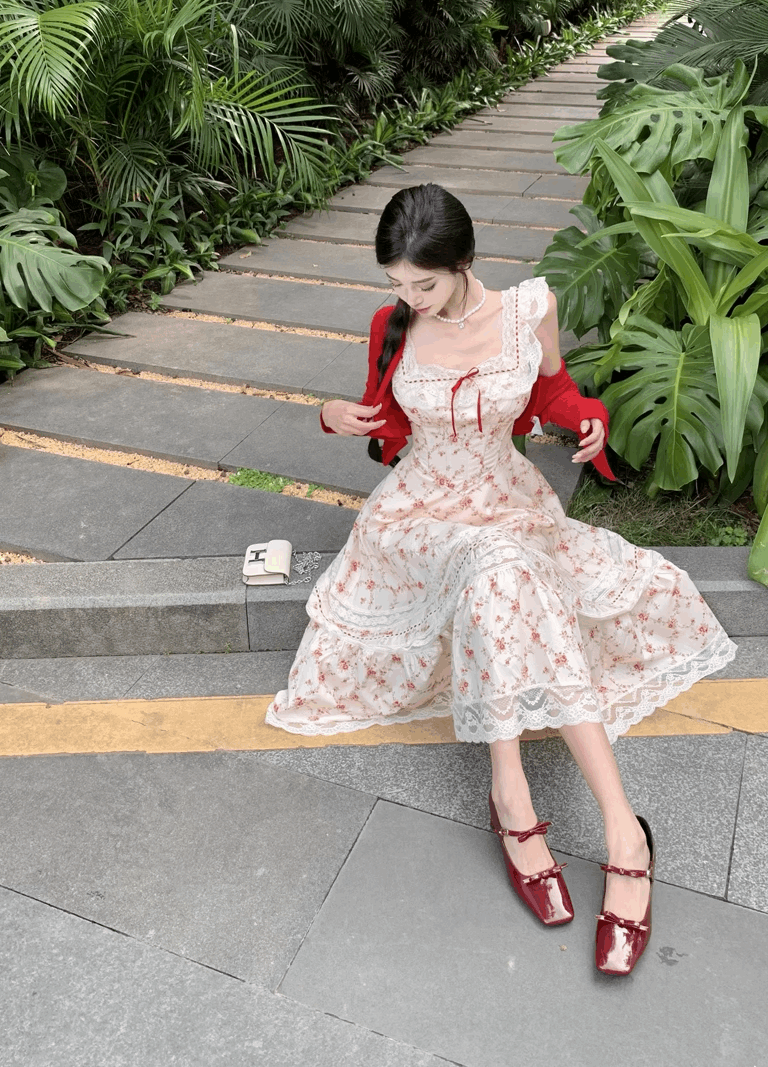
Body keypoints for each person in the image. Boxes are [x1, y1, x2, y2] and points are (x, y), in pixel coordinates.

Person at [266, 183, 737, 975]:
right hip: (419, 515)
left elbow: (552, 391)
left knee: (507, 570)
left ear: (464, 263)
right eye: (398, 286)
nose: (409, 298)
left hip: (504, 493)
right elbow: (381, 419)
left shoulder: (529, 310)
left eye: (426, 283)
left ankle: (603, 824)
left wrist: (586, 416)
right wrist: (330, 414)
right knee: (500, 567)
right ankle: (549, 810)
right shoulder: (393, 325)